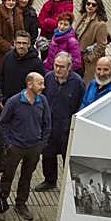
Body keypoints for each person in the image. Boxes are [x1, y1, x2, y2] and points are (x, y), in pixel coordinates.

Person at [0, 72, 51, 221]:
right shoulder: (14, 101)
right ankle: (0, 204)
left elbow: (47, 124)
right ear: (29, 84)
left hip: (34, 148)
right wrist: (8, 144)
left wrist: (41, 144)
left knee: (27, 177)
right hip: (15, 147)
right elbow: (3, 123)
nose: (43, 87)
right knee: (7, 176)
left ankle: (21, 204)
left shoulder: (43, 101)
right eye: (40, 83)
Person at [37, 52, 83, 192]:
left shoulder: (77, 83)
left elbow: (81, 104)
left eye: (62, 67)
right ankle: (50, 180)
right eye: (56, 66)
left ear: (69, 67)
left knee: (67, 156)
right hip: (50, 125)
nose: (58, 69)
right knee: (48, 154)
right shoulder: (49, 78)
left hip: (67, 126)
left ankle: (70, 184)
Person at [75, 0, 111, 81]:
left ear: (98, 7)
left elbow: (102, 45)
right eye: (88, 3)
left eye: (93, 5)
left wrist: (89, 58)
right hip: (77, 56)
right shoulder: (82, 16)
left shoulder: (100, 24)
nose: (90, 6)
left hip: (87, 62)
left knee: (86, 83)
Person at [0, 31, 44, 97]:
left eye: (24, 43)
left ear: (29, 44)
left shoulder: (36, 63)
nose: (21, 46)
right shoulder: (7, 57)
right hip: (7, 100)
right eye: (18, 43)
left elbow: (40, 85)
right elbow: (1, 78)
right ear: (14, 43)